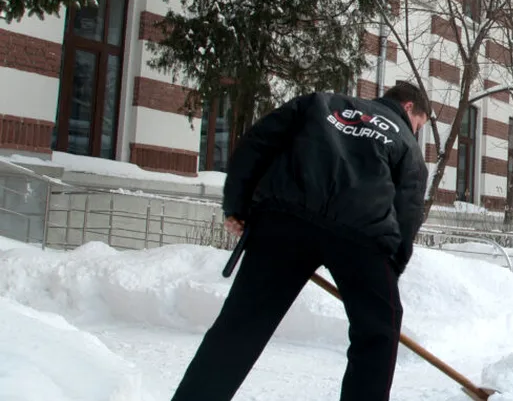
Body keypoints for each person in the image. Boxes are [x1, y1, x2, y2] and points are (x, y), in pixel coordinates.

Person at [171, 82, 430, 401]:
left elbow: (258, 141)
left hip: (284, 219)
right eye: (419, 124)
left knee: (242, 324)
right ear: (408, 108)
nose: (415, 131)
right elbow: (409, 205)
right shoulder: (404, 140)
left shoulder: (320, 103)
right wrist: (390, 268)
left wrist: (237, 205)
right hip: (362, 237)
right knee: (377, 332)